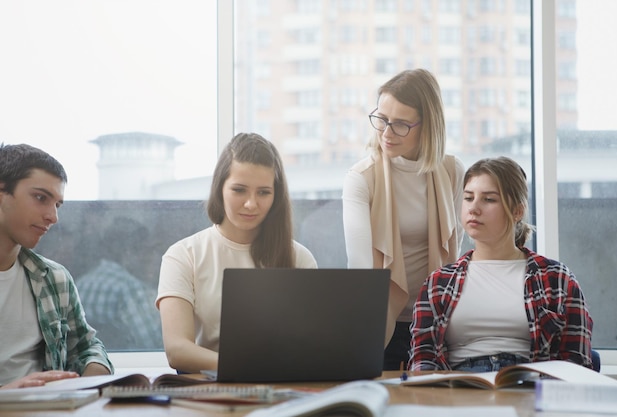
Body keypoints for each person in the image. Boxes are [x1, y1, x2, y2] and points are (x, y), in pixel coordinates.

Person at [409, 156, 594, 372]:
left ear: (517, 211)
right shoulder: (438, 282)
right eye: (468, 198)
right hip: (459, 390)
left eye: (489, 200)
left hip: (531, 387)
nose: (474, 208)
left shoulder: (557, 278)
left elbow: (576, 361)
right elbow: (423, 358)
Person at [156, 132, 318, 373]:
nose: (251, 203)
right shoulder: (183, 255)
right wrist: (247, 367)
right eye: (239, 190)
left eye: (263, 192)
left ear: (276, 196)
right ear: (220, 188)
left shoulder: (300, 257)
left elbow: (313, 344)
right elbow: (177, 350)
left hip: (284, 391)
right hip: (208, 395)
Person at [342, 68, 464, 370]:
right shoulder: (361, 178)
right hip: (381, 323)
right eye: (381, 119)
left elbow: (455, 256)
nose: (386, 133)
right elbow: (361, 271)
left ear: (427, 126)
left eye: (400, 124)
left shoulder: (452, 172)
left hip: (436, 323)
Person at [0, 144, 113, 389]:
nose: (53, 216)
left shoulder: (54, 278)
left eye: (57, 205)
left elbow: (86, 347)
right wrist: (8, 394)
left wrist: (92, 376)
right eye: (41, 198)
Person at [76, 216, 162, 350]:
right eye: (145, 251)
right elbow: (151, 345)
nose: (149, 258)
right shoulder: (130, 288)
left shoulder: (81, 284)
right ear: (128, 252)